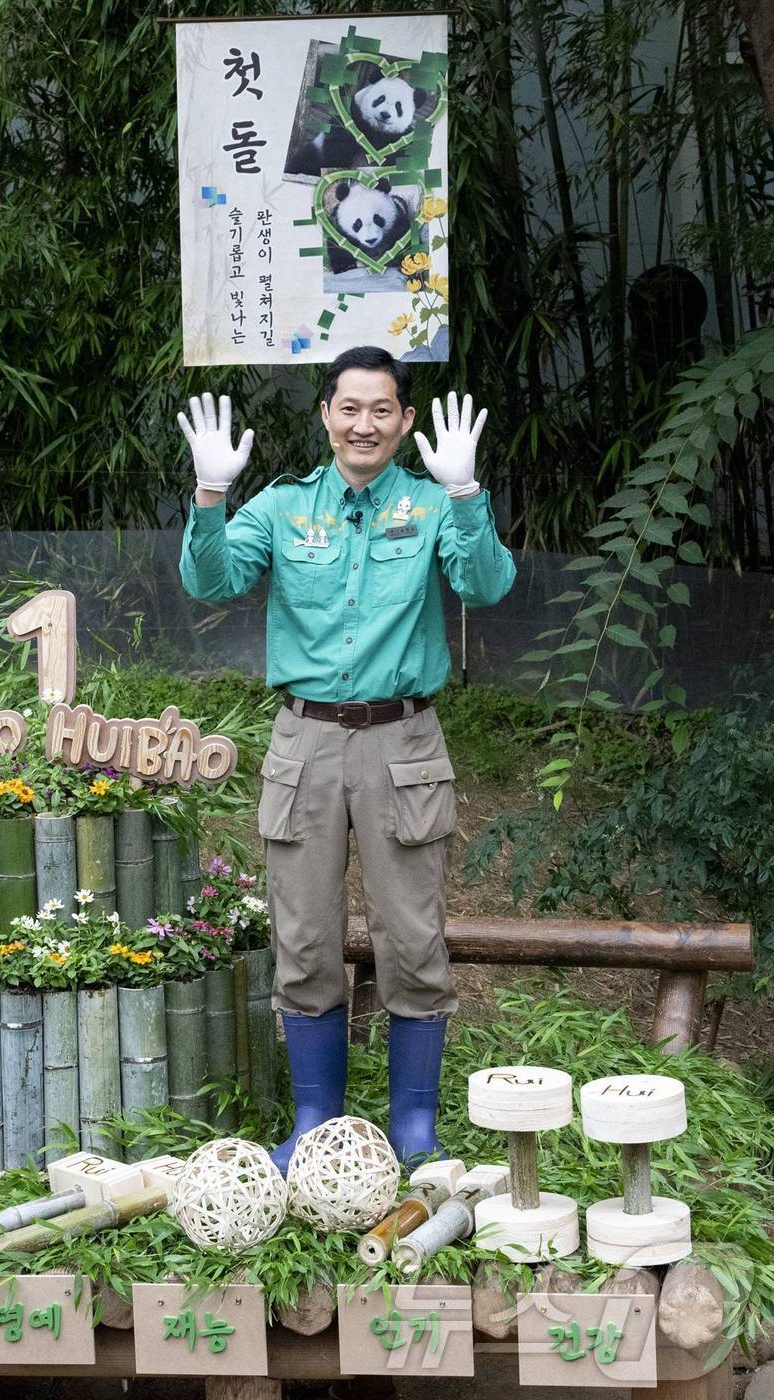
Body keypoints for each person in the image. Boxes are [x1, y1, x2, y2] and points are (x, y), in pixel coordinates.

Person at [177, 345, 516, 1170]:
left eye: (382, 409)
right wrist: (212, 495)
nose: (364, 423)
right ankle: (316, 1117)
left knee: (411, 936)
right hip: (306, 740)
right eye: (349, 408)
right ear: (326, 416)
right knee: (302, 935)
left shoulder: (432, 505)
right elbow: (210, 582)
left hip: (404, 741)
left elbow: (487, 584)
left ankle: (413, 1125)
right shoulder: (284, 509)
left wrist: (467, 494)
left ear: (403, 421)